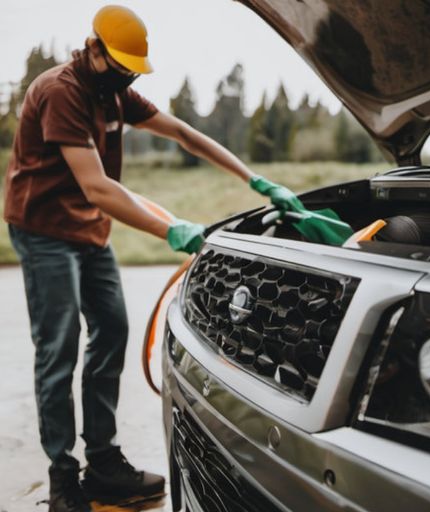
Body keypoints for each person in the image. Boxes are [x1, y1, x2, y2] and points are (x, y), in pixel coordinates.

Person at [2, 5, 300, 512]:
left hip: (89, 231)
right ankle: (62, 477)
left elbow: (184, 133)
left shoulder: (113, 91)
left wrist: (254, 180)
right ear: (93, 48)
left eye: (130, 71)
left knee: (112, 330)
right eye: (118, 66)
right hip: (45, 229)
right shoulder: (62, 91)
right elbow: (98, 188)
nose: (124, 77)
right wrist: (171, 228)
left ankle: (103, 463)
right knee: (59, 347)